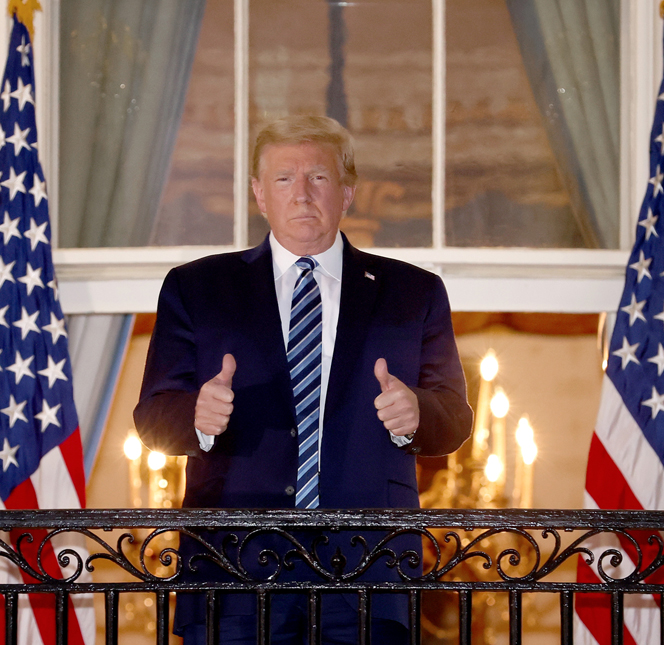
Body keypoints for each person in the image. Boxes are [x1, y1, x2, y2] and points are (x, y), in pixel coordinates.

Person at [133, 115, 473, 644]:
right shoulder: (197, 288)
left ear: (348, 192)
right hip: (233, 567)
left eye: (319, 177)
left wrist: (418, 415)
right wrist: (196, 419)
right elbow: (153, 417)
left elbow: (453, 419)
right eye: (284, 179)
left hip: (369, 567)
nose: (302, 194)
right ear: (259, 194)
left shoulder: (414, 292)